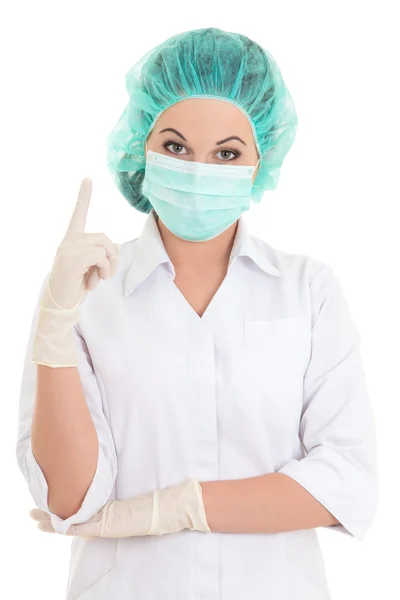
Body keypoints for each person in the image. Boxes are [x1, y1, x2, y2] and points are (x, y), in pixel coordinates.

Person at [16, 27, 378, 600]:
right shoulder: (87, 292)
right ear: (142, 148)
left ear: (262, 159)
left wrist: (175, 509)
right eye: (177, 147)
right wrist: (56, 322)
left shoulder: (308, 291)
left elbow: (346, 481)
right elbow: (71, 499)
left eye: (227, 153)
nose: (199, 169)